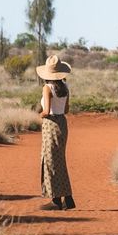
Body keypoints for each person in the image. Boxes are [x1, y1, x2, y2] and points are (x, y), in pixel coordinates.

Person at [37, 54, 76, 210]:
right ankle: (67, 198)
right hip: (62, 124)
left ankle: (56, 200)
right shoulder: (65, 88)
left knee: (49, 160)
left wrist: (37, 116)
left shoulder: (47, 88)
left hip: (50, 124)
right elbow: (66, 109)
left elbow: (46, 111)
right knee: (59, 160)